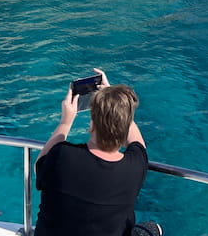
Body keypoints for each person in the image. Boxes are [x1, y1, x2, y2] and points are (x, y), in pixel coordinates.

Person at [33, 70, 160, 236]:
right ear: (124, 129)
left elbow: (39, 166)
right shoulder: (135, 167)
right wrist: (117, 105)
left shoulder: (62, 156)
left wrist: (65, 122)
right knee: (152, 229)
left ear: (92, 127)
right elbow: (138, 144)